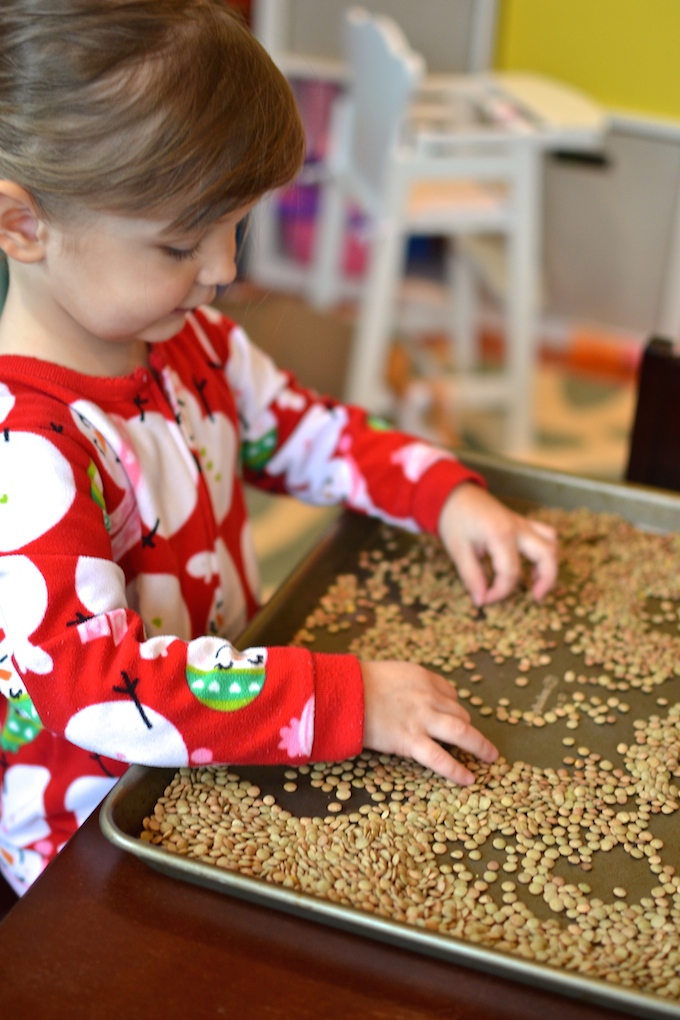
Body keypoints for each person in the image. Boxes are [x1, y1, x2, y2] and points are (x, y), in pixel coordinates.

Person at [0, 0, 557, 895]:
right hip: (88, 837)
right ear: (22, 226)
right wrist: (349, 699)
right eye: (182, 240)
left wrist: (445, 494)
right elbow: (99, 688)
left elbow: (317, 434)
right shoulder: (24, 450)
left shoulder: (196, 345)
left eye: (238, 225)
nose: (223, 268)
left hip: (226, 754)